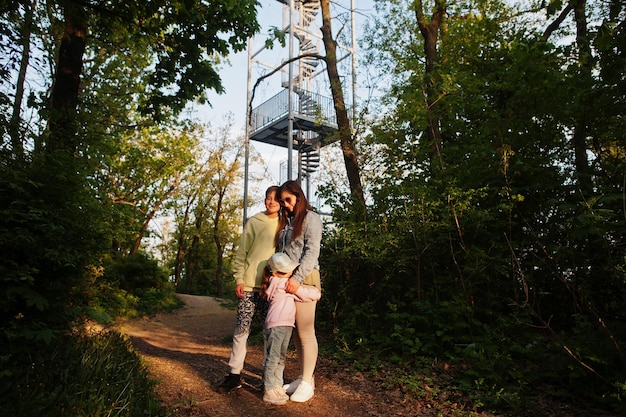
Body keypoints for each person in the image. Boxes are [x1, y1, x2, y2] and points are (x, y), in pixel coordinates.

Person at [217, 186, 280, 393]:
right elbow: (242, 253)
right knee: (241, 330)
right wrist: (239, 279)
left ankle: (268, 377)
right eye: (268, 198)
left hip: (270, 288)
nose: (271, 202)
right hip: (250, 286)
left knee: (269, 332)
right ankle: (234, 374)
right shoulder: (254, 222)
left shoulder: (284, 225)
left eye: (275, 199)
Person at [275, 180, 323, 403]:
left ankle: (307, 383)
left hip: (305, 279)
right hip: (287, 281)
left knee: (305, 331)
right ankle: (305, 378)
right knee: (296, 333)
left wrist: (296, 278)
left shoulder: (311, 219)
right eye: (282, 201)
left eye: (288, 199)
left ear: (298, 197)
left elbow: (312, 252)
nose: (285, 204)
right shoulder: (288, 222)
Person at [261, 252, 321, 405]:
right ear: (275, 273)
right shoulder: (284, 284)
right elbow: (304, 294)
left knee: (279, 358)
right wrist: (317, 293)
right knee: (274, 358)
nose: (290, 273)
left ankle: (277, 386)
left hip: (282, 325)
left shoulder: (277, 282)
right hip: (278, 326)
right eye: (286, 271)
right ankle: (269, 389)